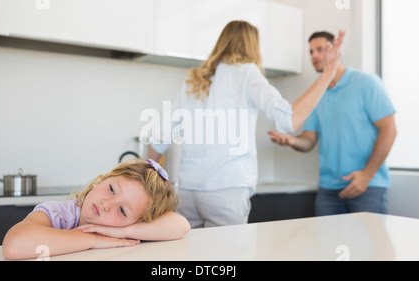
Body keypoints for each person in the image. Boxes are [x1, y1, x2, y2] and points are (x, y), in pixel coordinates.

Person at [147, 21, 345, 228]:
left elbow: (161, 135)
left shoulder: (195, 79)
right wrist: (327, 73)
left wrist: (147, 185)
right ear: (252, 45)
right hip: (227, 191)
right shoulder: (247, 74)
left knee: (190, 256)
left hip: (188, 191)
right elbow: (289, 120)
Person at [269, 31, 397, 216]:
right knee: (328, 245)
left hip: (367, 187)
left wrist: (367, 175)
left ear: (336, 51)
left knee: (370, 245)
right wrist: (292, 141)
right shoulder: (317, 94)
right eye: (311, 52)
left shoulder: (366, 83)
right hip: (328, 190)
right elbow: (309, 139)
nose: (314, 56)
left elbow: (390, 130)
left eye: (320, 49)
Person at [2, 158, 190, 260]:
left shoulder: (122, 231)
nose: (106, 204)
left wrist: (123, 231)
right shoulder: (59, 214)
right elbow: (14, 245)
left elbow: (181, 225)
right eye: (111, 189)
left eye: (123, 211)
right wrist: (93, 239)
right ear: (102, 179)